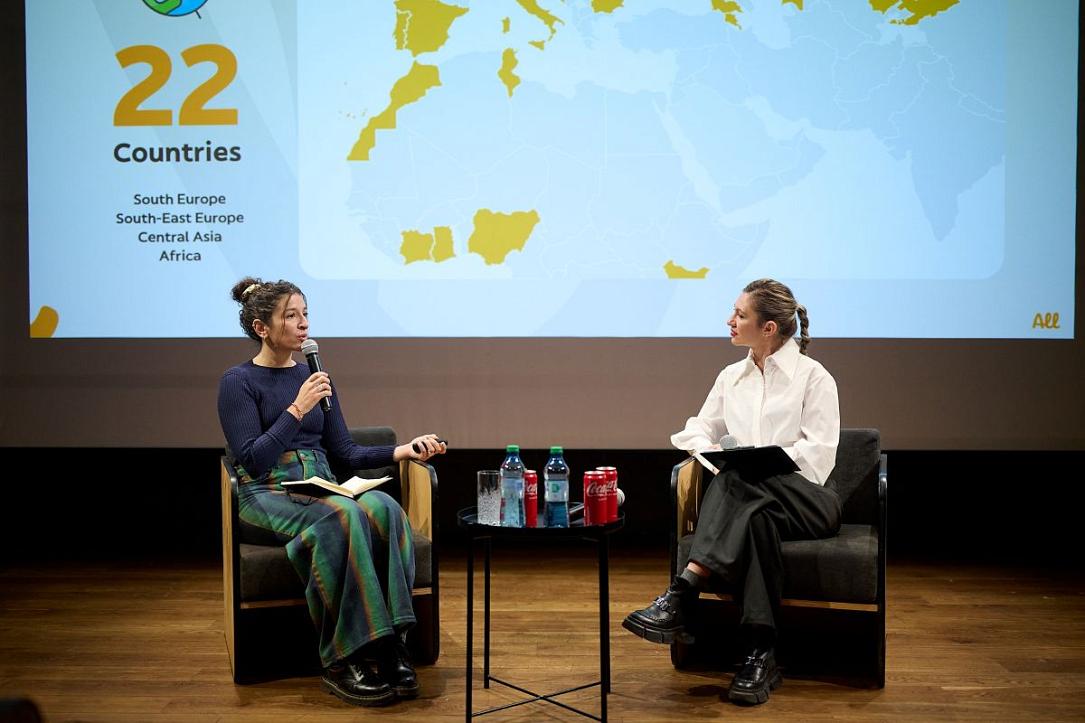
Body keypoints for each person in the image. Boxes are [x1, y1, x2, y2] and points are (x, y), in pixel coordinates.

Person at [217, 277, 446, 707]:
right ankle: (344, 659)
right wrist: (297, 408)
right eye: (291, 316)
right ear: (261, 327)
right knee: (343, 515)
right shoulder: (238, 381)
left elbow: (345, 451)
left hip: (321, 485)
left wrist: (405, 449)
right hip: (265, 492)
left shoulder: (316, 375)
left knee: (384, 507)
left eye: (305, 314)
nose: (303, 324)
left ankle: (392, 645)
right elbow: (253, 460)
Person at [623, 278, 841, 706]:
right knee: (753, 516)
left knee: (738, 476)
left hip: (809, 501)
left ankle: (684, 590)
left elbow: (818, 458)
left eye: (740, 315)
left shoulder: (814, 378)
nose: (730, 320)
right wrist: (713, 452)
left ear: (769, 328)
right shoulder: (731, 378)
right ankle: (760, 654)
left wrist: (759, 462)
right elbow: (698, 428)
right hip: (760, 506)